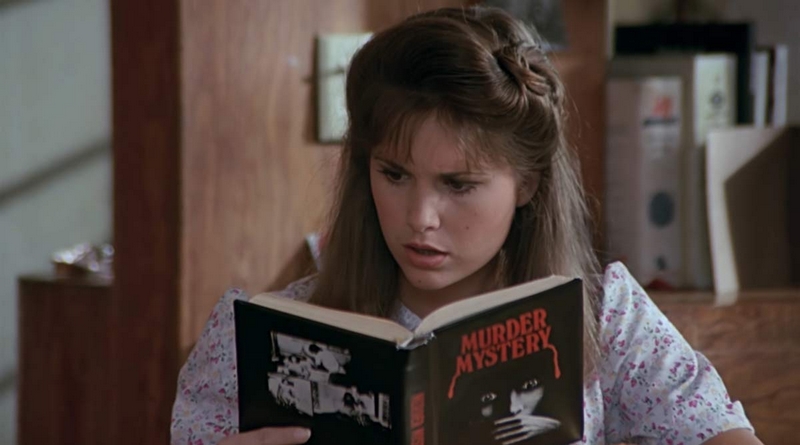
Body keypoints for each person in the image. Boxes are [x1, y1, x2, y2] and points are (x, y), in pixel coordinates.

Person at [170, 6, 762, 445]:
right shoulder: (254, 343)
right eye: (394, 174)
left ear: (527, 184)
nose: (420, 218)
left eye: (458, 185)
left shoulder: (608, 319)